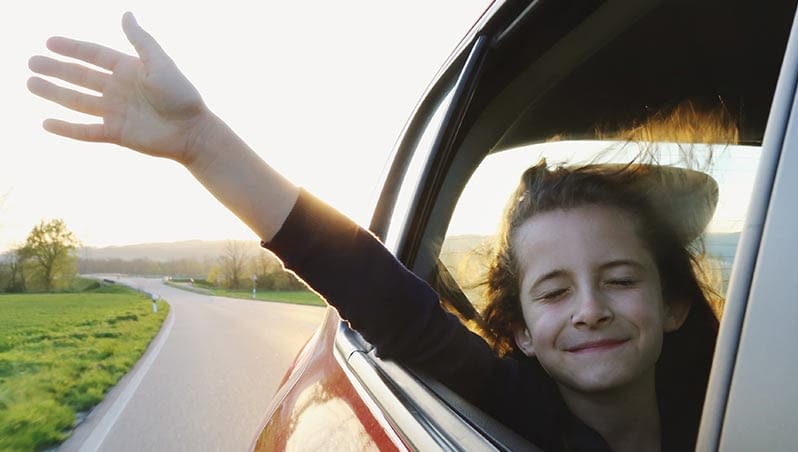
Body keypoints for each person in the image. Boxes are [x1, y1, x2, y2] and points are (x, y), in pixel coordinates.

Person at [28, 13, 720, 451]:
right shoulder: (515, 403)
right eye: (554, 291)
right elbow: (382, 293)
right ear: (520, 333)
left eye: (621, 279)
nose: (590, 308)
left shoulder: (735, 395)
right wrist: (201, 142)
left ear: (676, 303)